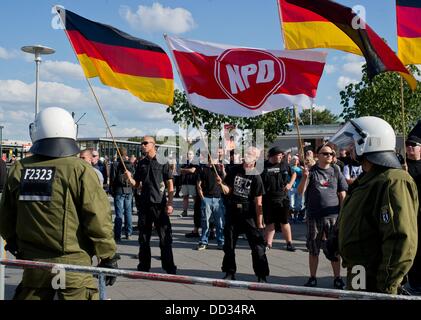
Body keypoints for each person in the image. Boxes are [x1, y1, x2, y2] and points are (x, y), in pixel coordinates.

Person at [0, 107, 117, 300]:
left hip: (35, 266)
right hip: (73, 267)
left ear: (35, 131)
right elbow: (98, 218)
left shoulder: (20, 169)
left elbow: (6, 215)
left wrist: (13, 241)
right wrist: (108, 255)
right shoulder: (80, 170)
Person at [330, 116, 418, 294]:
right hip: (358, 269)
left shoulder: (393, 180)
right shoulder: (367, 178)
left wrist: (386, 286)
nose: (350, 149)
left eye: (354, 143)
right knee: (355, 297)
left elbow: (400, 238)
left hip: (375, 277)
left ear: (369, 143)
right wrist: (337, 238)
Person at [298, 144, 347, 289]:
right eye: (325, 154)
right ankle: (312, 278)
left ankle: (337, 278)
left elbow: (342, 192)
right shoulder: (311, 171)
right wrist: (304, 178)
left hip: (333, 216)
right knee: (313, 248)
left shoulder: (336, 170)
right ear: (317, 156)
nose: (329, 156)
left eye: (331, 154)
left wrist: (343, 213)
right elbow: (301, 192)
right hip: (314, 216)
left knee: (334, 249)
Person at [125, 136, 177, 274]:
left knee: (165, 237)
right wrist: (130, 178)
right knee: (143, 237)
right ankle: (143, 266)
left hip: (159, 204)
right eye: (141, 143)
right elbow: (136, 184)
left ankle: (169, 267)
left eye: (145, 143)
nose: (142, 145)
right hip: (144, 204)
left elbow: (170, 184)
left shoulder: (163, 161)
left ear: (153, 145)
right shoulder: (141, 163)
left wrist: (170, 203)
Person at [217, 146, 269, 283]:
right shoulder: (234, 170)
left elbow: (259, 202)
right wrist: (221, 185)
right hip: (233, 212)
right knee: (229, 245)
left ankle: (261, 275)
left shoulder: (256, 176)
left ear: (256, 158)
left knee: (257, 247)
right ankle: (229, 272)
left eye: (251, 154)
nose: (248, 155)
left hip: (249, 214)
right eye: (247, 153)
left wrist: (259, 222)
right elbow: (228, 190)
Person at [261, 147, 296, 252]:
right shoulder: (263, 166)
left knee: (284, 222)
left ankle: (289, 243)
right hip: (268, 199)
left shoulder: (285, 165)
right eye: (279, 155)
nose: (281, 156)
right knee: (269, 222)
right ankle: (268, 243)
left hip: (282, 198)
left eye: (282, 155)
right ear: (272, 155)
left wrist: (290, 184)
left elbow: (294, 173)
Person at [403, 122, 421, 294]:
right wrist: (404, 174)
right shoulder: (402, 166)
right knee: (412, 249)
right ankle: (413, 281)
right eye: (407, 145)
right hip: (409, 215)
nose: (409, 148)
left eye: (413, 145)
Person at [196, 154, 226, 250]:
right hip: (207, 198)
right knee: (205, 222)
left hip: (218, 199)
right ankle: (203, 242)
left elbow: (225, 181)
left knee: (220, 222)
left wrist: (223, 170)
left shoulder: (218, 170)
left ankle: (220, 242)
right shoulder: (203, 169)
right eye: (215, 159)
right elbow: (198, 184)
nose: (217, 161)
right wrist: (202, 198)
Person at [110, 147, 135, 242]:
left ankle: (118, 234)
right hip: (129, 190)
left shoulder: (115, 164)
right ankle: (128, 233)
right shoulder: (130, 164)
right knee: (128, 212)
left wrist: (111, 190)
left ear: (118, 153)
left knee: (119, 213)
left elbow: (112, 178)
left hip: (119, 190)